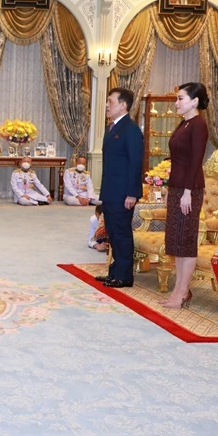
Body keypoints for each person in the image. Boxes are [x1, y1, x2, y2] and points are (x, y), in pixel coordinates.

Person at [161, 82, 210, 309]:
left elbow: (195, 161)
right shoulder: (184, 123)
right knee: (176, 241)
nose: (176, 103)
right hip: (177, 188)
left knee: (186, 241)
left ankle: (181, 292)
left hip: (189, 190)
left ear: (195, 101)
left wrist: (187, 192)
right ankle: (179, 289)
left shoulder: (199, 125)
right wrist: (168, 188)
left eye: (180, 98)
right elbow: (177, 160)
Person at [94, 87, 144, 288]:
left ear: (123, 105)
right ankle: (115, 271)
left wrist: (132, 193)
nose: (107, 105)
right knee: (113, 232)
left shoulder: (131, 130)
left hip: (123, 192)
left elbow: (136, 163)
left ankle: (125, 276)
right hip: (110, 190)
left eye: (110, 102)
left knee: (122, 233)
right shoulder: (112, 127)